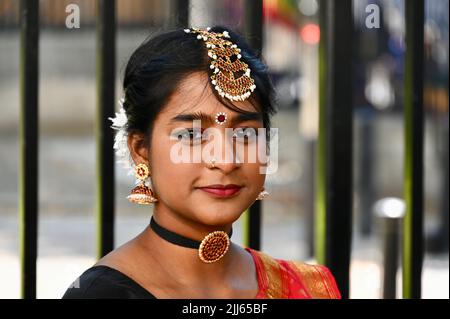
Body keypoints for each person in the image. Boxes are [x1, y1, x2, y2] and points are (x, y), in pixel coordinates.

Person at [62, 26, 341, 299]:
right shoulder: (100, 294)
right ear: (140, 150)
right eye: (192, 134)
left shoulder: (307, 288)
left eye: (245, 133)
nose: (225, 160)